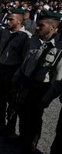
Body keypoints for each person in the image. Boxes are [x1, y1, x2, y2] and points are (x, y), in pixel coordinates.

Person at [15, 10, 62, 154]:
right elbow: (26, 61)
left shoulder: (59, 48)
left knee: (34, 120)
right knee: (23, 115)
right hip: (26, 83)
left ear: (52, 27)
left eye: (41, 25)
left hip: (39, 88)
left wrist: (45, 99)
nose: (36, 28)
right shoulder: (35, 40)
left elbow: (58, 79)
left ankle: (30, 147)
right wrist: (17, 78)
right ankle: (23, 141)